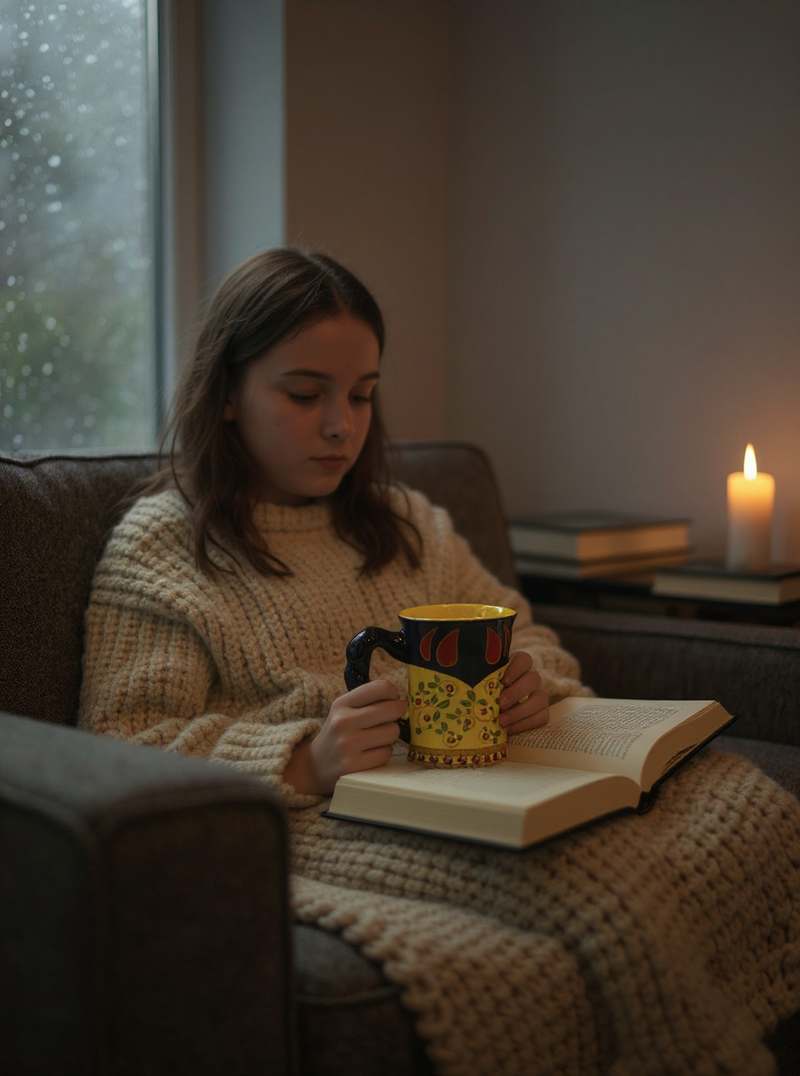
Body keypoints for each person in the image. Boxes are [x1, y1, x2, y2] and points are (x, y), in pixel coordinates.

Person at [79, 249, 800, 1076]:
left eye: (362, 393)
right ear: (229, 394)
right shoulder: (163, 547)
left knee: (738, 793)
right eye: (305, 394)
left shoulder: (406, 520)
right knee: (591, 878)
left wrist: (533, 681)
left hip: (480, 774)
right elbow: (117, 744)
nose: (341, 426)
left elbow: (526, 634)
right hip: (321, 816)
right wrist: (303, 758)